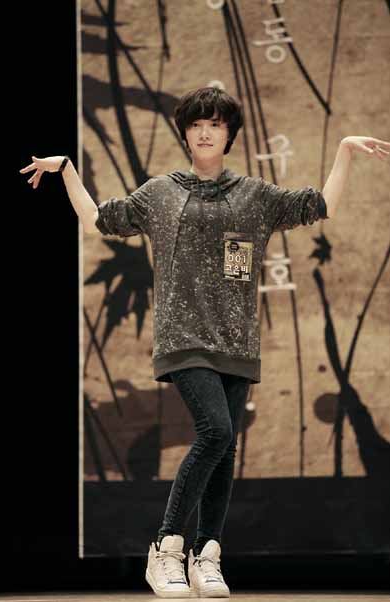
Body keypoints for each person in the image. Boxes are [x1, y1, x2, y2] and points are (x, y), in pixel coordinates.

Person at [20, 87, 389, 598]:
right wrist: (66, 170)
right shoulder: (161, 192)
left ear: (229, 133)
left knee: (226, 448)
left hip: (237, 341)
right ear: (185, 134)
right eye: (196, 124)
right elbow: (99, 220)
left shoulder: (254, 194)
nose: (205, 132)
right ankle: (166, 547)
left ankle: (207, 555)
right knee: (215, 432)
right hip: (184, 337)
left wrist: (344, 149)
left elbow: (320, 205)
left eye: (215, 124)